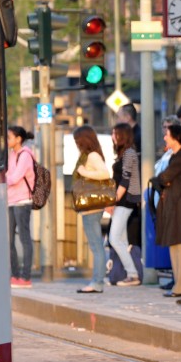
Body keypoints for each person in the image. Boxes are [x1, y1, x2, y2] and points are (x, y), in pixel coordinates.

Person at [154, 122, 181, 298]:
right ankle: (180, 285)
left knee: (179, 243)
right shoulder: (176, 156)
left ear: (176, 138)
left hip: (180, 205)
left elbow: (164, 177)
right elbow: (162, 179)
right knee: (175, 243)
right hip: (175, 203)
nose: (165, 137)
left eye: (168, 135)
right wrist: (162, 181)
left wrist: (163, 181)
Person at [72, 126, 113, 294]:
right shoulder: (87, 156)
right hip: (89, 208)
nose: (76, 144)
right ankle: (96, 281)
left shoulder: (92, 156)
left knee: (96, 246)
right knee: (96, 246)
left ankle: (97, 282)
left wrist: (84, 172)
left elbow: (105, 173)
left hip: (92, 207)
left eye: (77, 140)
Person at [108, 123, 143, 286]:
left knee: (114, 238)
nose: (113, 136)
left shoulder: (129, 153)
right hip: (122, 201)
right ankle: (130, 274)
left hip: (126, 201)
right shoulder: (124, 154)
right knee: (121, 239)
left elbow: (126, 179)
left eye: (115, 133)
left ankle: (133, 273)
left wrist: (113, 199)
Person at [5, 125, 36, 288]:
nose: (6, 140)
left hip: (23, 201)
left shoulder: (25, 155)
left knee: (24, 239)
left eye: (9, 137)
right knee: (9, 240)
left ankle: (26, 277)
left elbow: (15, 177)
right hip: (11, 200)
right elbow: (8, 174)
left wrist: (5, 179)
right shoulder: (11, 154)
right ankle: (15, 276)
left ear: (18, 139)